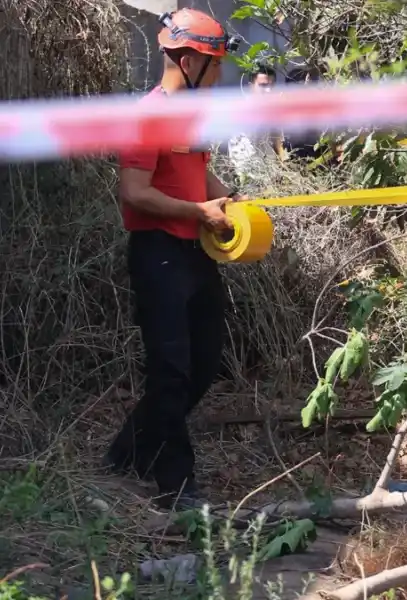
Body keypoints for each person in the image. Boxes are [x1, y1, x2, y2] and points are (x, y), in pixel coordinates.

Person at [104, 8, 246, 510]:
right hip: (159, 253)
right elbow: (135, 192)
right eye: (214, 63)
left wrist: (234, 204)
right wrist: (195, 211)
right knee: (170, 371)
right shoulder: (145, 117)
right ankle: (176, 484)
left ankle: (127, 451)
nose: (220, 75)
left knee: (204, 365)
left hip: (196, 253)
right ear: (187, 60)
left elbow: (202, 177)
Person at [228, 61, 287, 182]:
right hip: (248, 177)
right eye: (263, 86)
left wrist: (284, 165)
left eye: (271, 86)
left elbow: (277, 139)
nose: (268, 91)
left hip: (270, 174)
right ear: (251, 86)